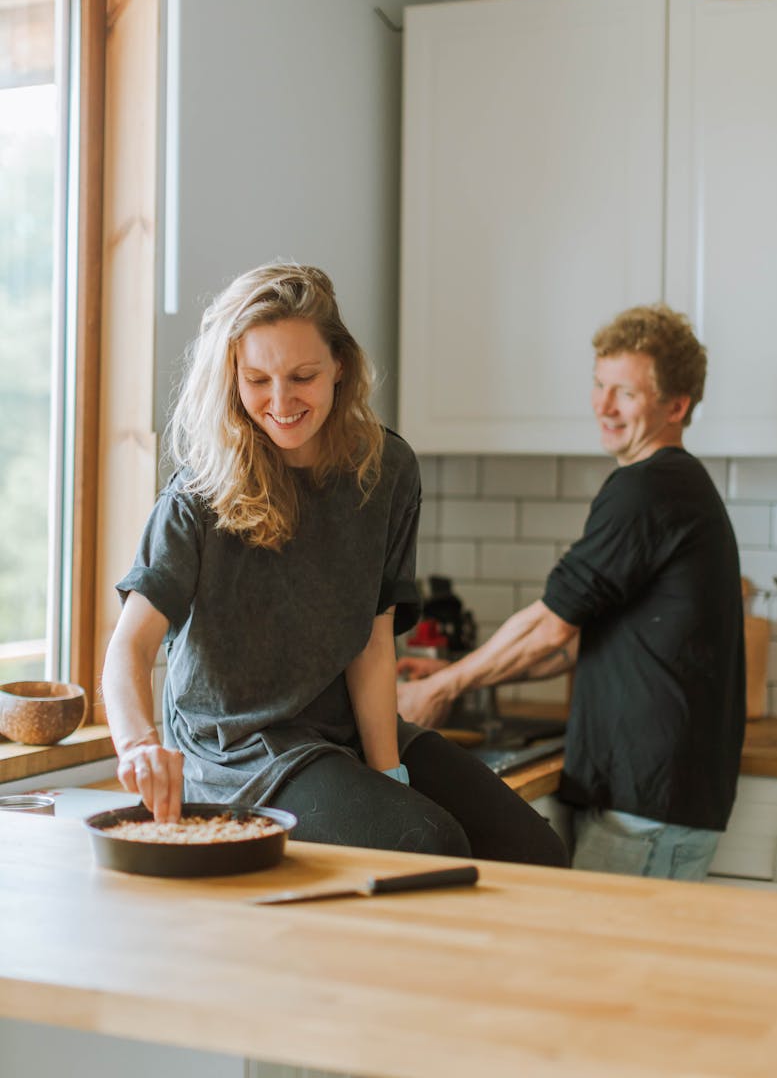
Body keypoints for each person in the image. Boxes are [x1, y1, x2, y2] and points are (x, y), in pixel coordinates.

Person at [102, 262, 567, 867]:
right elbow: (129, 648)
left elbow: (371, 642)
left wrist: (388, 773)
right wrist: (138, 743)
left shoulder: (387, 471)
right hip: (243, 752)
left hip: (343, 728)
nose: (280, 400)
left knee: (535, 849)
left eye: (302, 376)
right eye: (257, 379)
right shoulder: (198, 497)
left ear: (340, 367)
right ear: (232, 379)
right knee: (433, 844)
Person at [398, 304, 746, 881]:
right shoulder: (676, 487)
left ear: (676, 406)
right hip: (656, 798)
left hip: (645, 808)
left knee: (611, 969)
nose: (603, 407)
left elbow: (551, 626)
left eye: (626, 394)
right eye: (598, 384)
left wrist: (444, 685)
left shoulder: (646, 489)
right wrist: (457, 667)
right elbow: (573, 647)